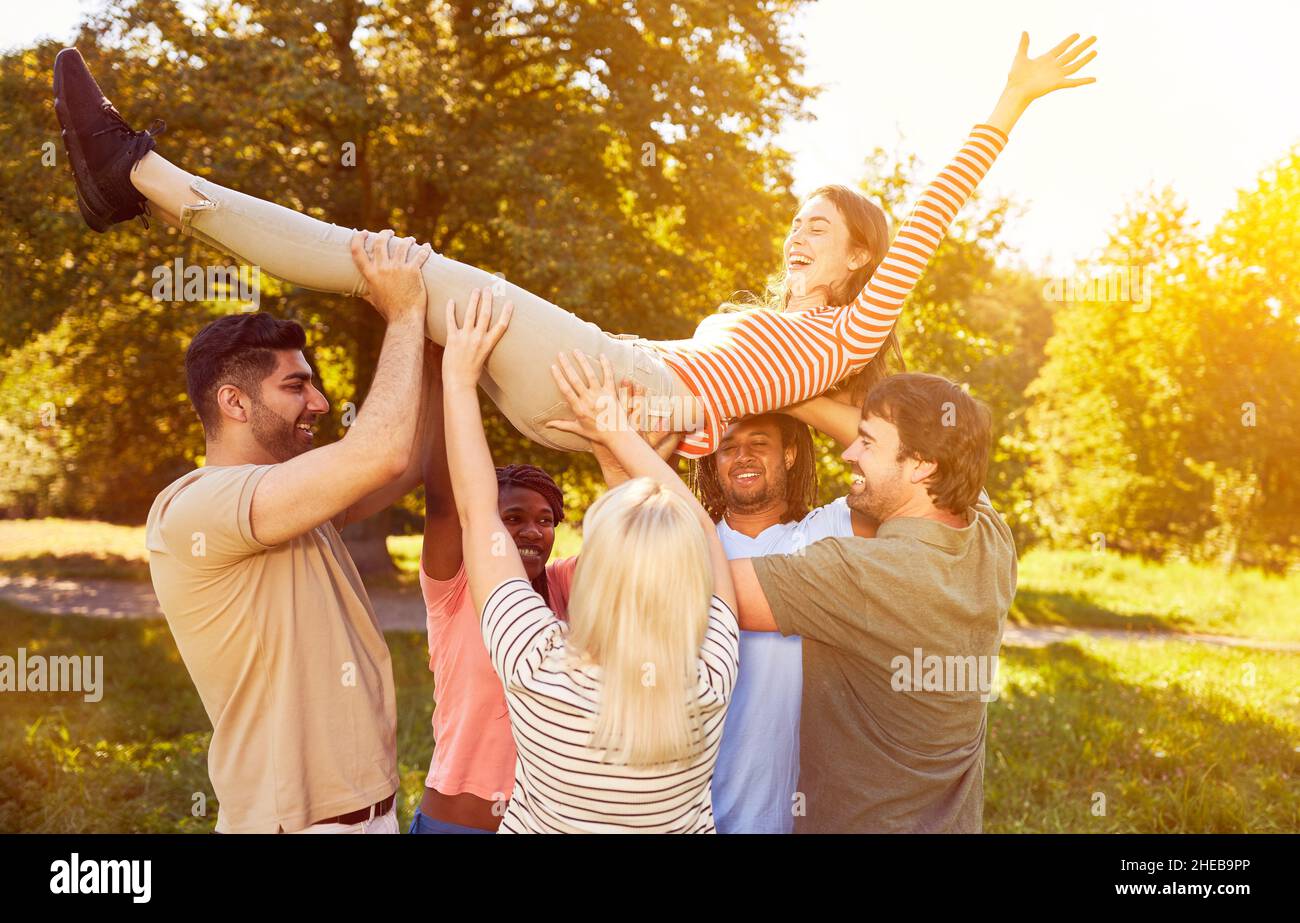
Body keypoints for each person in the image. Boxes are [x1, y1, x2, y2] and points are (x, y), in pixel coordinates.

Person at [51, 34, 1097, 457]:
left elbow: (928, 215)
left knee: (405, 265)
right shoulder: (785, 341)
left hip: (607, 381)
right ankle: (135, 180)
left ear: (860, 258)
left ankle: (134, 173)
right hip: (600, 384)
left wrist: (1007, 102)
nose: (795, 228)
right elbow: (756, 402)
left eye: (817, 224)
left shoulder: (852, 322)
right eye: (797, 215)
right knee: (399, 277)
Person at [145, 231, 436, 832]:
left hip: (372, 809)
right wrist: (403, 313)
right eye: (295, 386)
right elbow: (376, 455)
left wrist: (431, 343)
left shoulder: (292, 499)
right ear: (234, 401)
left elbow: (409, 460)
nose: (321, 403)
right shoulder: (199, 504)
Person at [441, 288, 738, 832]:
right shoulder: (708, 681)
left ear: (594, 573)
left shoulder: (537, 664)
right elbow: (706, 538)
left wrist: (459, 379)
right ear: (684, 581)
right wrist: (616, 438)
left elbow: (476, 513)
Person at [727, 372, 1018, 833]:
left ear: (921, 465)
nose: (848, 451)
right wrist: (789, 397)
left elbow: (700, 586)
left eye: (866, 442)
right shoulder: (988, 535)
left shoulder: (865, 576)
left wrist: (623, 450)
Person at [681, 413, 876, 833]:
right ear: (714, 464)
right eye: (728, 447)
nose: (742, 456)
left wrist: (798, 395)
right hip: (698, 814)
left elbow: (888, 477)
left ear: (789, 454)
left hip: (798, 815)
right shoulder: (689, 544)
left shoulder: (829, 529)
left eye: (759, 444)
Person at [412, 341, 576, 834]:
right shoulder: (455, 587)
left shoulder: (565, 583)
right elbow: (445, 500)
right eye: (513, 517)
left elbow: (639, 535)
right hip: (456, 824)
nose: (531, 531)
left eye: (545, 520)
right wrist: (447, 374)